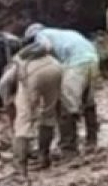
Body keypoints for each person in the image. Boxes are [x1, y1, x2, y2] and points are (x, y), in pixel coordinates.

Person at [23, 23, 100, 157]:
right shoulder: (65, 33)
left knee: (66, 103)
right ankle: (92, 140)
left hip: (76, 63)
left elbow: (44, 47)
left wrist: (25, 56)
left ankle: (68, 148)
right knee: (88, 100)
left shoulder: (41, 36)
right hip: (93, 59)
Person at [0, 43, 63, 177]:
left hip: (33, 74)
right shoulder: (36, 55)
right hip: (55, 68)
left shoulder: (13, 67)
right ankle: (44, 157)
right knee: (48, 113)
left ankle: (20, 167)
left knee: (23, 120)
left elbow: (3, 85)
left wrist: (8, 104)